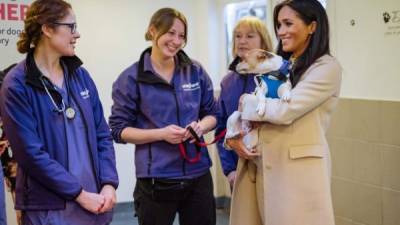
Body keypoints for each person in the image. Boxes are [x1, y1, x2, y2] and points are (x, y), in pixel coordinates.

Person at [0, 0, 119, 224]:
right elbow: (31, 155)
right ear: (47, 28)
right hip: (49, 208)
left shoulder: (80, 76)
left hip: (94, 201)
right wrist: (79, 195)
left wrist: (109, 183)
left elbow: (102, 134)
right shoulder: (16, 85)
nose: (78, 34)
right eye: (71, 27)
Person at [226, 0, 342, 225]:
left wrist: (246, 103)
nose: (281, 31)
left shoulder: (326, 68)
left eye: (288, 23)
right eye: (279, 25)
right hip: (259, 170)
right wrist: (233, 139)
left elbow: (285, 111)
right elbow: (247, 118)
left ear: (312, 26)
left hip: (295, 177)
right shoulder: (277, 66)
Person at [109, 7, 218, 225]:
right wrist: (161, 134)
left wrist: (201, 127)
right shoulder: (130, 78)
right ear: (152, 31)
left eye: (182, 36)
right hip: (156, 180)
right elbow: (119, 130)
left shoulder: (195, 70)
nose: (176, 41)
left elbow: (213, 114)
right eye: (170, 32)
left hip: (198, 176)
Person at [216, 16, 273, 188]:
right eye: (238, 36)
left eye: (249, 36)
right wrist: (230, 170)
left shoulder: (275, 77)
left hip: (271, 167)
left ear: (263, 42)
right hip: (239, 170)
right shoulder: (227, 82)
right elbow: (221, 129)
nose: (242, 41)